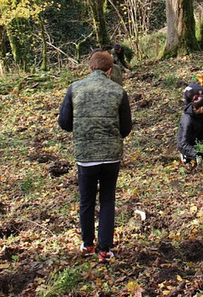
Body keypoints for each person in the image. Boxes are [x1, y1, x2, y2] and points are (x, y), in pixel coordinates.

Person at [58, 51, 132, 262]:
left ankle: (87, 244)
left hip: (85, 156)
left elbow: (64, 123)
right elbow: (126, 128)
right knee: (107, 200)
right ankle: (105, 250)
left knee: (86, 200)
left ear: (90, 69)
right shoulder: (118, 91)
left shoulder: (75, 88)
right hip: (111, 157)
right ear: (109, 70)